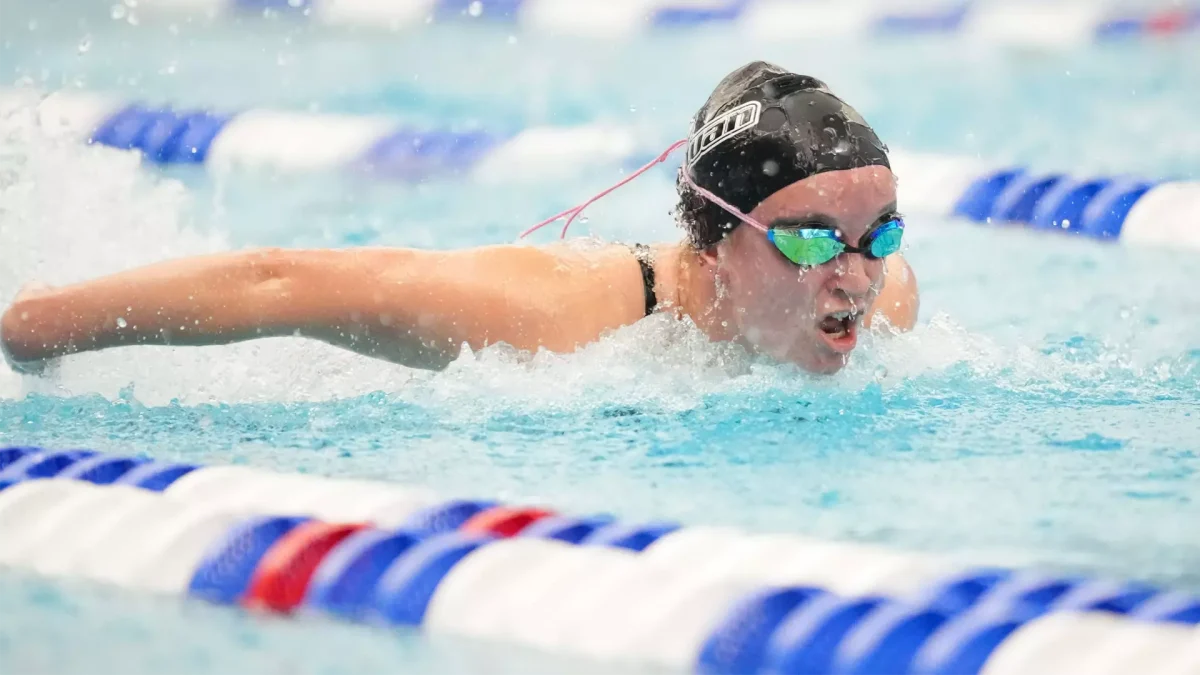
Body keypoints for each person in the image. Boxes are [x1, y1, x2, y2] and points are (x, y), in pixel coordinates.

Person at [1, 61, 918, 377]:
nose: (855, 277)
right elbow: (280, 281)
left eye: (880, 233)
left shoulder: (887, 304)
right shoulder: (555, 318)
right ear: (713, 245)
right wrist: (35, 324)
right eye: (806, 239)